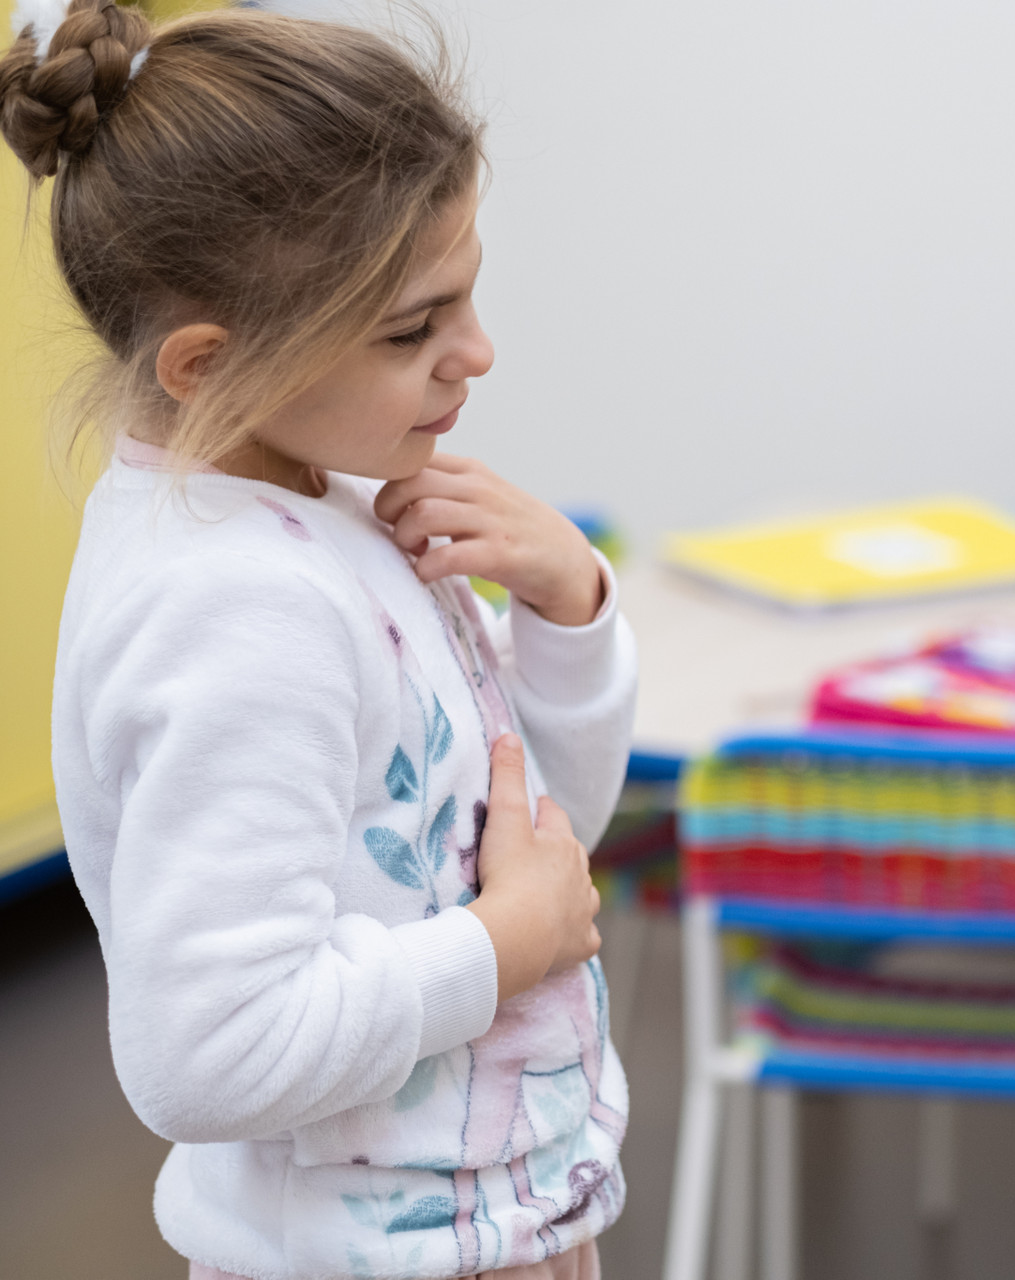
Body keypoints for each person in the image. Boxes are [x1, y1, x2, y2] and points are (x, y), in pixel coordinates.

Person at [6, 2, 637, 1276]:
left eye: (469, 295)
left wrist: (568, 605)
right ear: (204, 364)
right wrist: (500, 946)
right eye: (414, 328)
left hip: (483, 1224)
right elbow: (209, 1051)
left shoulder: (325, 505)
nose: (478, 353)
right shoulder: (238, 610)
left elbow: (532, 840)